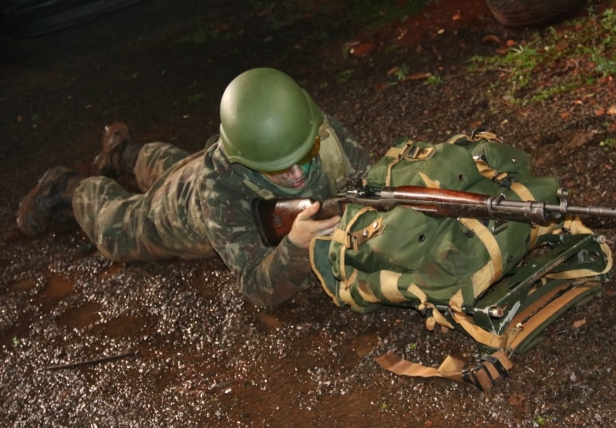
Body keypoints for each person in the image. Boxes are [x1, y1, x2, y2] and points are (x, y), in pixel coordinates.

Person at [16, 68, 371, 307]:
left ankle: (122, 151)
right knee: (117, 229)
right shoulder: (219, 189)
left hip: (204, 167)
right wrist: (295, 246)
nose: (296, 174)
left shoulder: (308, 128)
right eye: (276, 168)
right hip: (182, 209)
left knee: (177, 165)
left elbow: (369, 183)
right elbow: (256, 288)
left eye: (305, 153)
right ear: (244, 159)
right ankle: (70, 186)